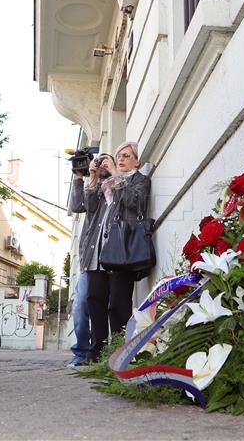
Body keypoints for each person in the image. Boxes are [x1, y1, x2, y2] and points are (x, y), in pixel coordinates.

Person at [85, 142, 151, 362]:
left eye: (126, 155)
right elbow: (90, 210)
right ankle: (97, 353)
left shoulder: (139, 180)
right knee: (95, 300)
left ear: (137, 161)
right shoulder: (107, 183)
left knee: (118, 305)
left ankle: (121, 354)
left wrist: (116, 176)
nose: (121, 159)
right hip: (99, 253)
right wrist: (93, 179)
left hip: (121, 251)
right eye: (118, 156)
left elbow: (136, 203)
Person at [66, 153, 112, 367]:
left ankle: (103, 350)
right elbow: (76, 206)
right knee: (81, 304)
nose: (100, 164)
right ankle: (82, 351)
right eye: (98, 161)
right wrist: (80, 177)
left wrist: (111, 174)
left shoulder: (114, 187)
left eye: (105, 160)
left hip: (113, 259)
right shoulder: (93, 188)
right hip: (90, 259)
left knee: (109, 307)